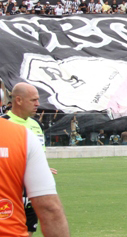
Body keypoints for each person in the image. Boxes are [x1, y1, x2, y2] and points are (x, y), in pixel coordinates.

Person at [1, 82, 60, 236]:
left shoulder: (36, 124)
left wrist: (41, 169)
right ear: (18, 100)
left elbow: (36, 155)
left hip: (33, 190)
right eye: (33, 100)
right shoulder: (5, 123)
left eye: (37, 100)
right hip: (12, 191)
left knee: (29, 229)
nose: (37, 104)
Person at [0, 116, 70, 236]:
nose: (37, 103)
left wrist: (36, 167)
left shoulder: (32, 129)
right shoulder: (22, 135)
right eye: (33, 100)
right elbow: (49, 207)